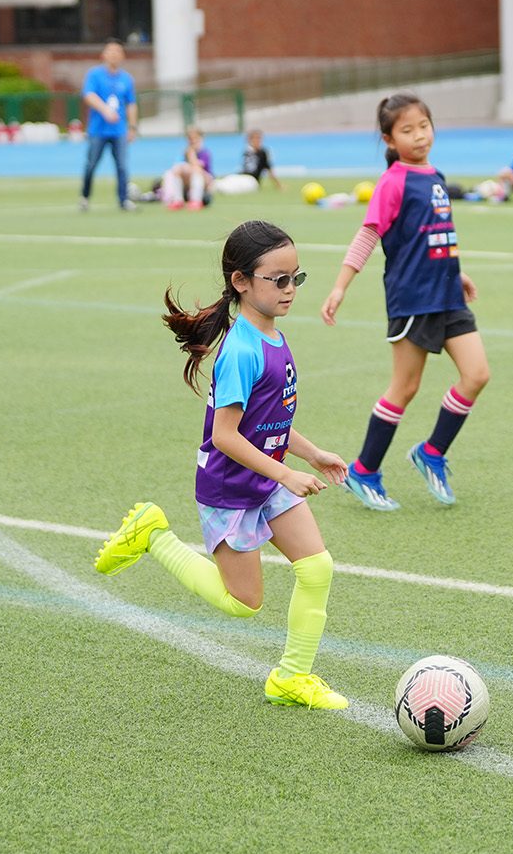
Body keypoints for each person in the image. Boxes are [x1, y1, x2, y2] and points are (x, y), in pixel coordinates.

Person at [93, 220, 349, 709]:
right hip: (231, 488)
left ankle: (291, 678)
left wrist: (312, 454)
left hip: (266, 479)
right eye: (279, 279)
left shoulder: (273, 336)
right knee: (243, 603)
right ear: (241, 281)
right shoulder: (241, 351)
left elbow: (268, 419)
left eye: (296, 277)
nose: (290, 289)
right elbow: (225, 436)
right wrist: (286, 473)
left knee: (317, 567)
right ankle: (154, 536)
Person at [323, 93, 489, 511]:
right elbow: (369, 234)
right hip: (413, 299)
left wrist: (456, 271)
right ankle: (364, 470)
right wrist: (341, 286)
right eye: (407, 130)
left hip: (447, 294)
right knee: (405, 387)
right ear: (389, 140)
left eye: (424, 126)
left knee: (476, 374)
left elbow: (432, 234)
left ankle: (431, 452)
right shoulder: (393, 181)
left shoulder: (436, 176)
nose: (419, 136)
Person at [79, 40, 137, 211]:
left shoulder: (126, 79)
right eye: (110, 51)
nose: (114, 55)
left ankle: (123, 199)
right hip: (98, 130)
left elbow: (131, 103)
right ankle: (85, 196)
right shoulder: (95, 75)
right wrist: (105, 110)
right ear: (103, 55)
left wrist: (132, 126)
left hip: (119, 131)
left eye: (117, 52)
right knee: (91, 164)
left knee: (122, 165)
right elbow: (88, 95)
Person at [159, 126, 215, 209]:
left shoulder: (204, 153)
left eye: (195, 138)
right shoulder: (184, 152)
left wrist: (191, 153)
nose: (193, 141)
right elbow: (177, 167)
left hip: (204, 182)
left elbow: (198, 167)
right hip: (188, 183)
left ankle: (196, 200)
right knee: (176, 170)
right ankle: (177, 200)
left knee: (196, 171)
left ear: (201, 138)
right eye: (190, 138)